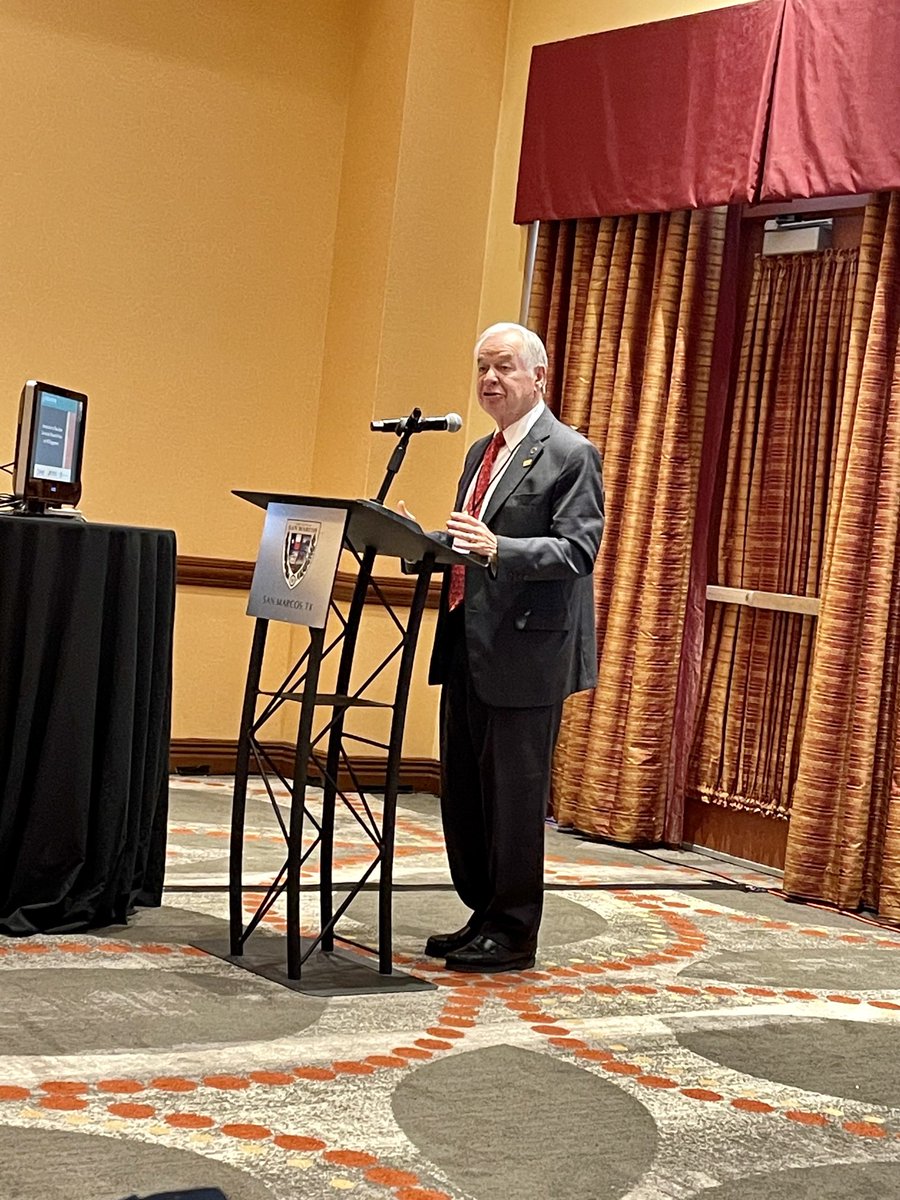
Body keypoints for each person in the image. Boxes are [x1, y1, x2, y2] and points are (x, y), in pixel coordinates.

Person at [402, 322, 605, 973]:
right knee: (467, 791)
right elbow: (469, 540)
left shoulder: (570, 454)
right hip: (468, 642)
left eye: (504, 368)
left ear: (538, 375)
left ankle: (514, 930)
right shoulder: (480, 454)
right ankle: (483, 913)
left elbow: (578, 551)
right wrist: (419, 543)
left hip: (526, 655)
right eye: (482, 368)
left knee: (514, 798)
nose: (490, 380)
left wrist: (500, 549)